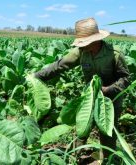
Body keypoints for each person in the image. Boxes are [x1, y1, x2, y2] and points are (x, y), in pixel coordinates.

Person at [33, 17, 130, 161]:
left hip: (111, 98)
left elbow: (126, 79)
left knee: (107, 131)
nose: (81, 45)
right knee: (82, 126)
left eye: (84, 42)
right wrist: (36, 76)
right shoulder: (80, 52)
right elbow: (59, 66)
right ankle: (75, 157)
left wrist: (107, 90)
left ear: (95, 40)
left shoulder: (114, 54)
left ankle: (108, 159)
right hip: (89, 97)